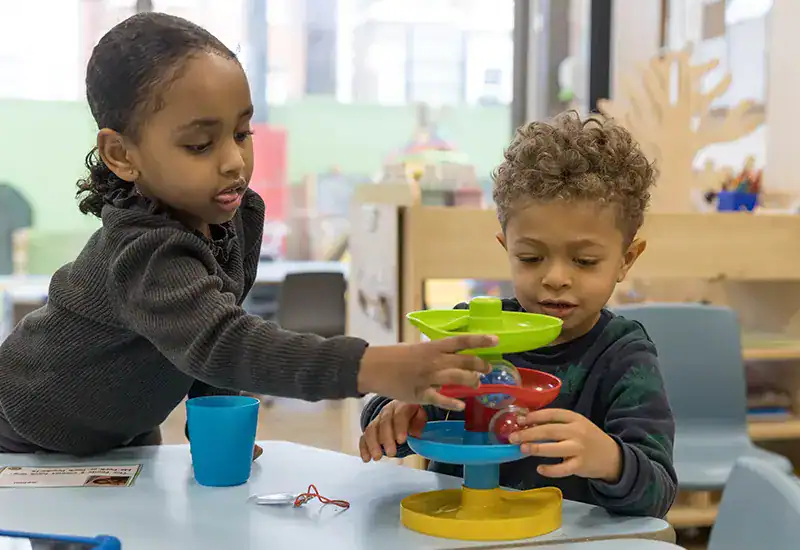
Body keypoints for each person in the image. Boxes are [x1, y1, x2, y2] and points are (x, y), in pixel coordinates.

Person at [0, 12, 497, 456]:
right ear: (121, 155)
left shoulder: (237, 217)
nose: (235, 161)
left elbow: (213, 319)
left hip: (122, 429)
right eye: (199, 145)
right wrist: (373, 366)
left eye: (242, 134)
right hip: (25, 431)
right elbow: (222, 342)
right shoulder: (143, 249)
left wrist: (213, 423)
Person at [360, 112, 677, 518]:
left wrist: (611, 459)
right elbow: (389, 404)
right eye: (531, 257)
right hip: (461, 536)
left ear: (625, 260)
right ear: (505, 246)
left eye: (584, 261)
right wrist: (397, 412)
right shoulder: (471, 333)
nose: (555, 278)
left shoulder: (623, 355)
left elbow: (658, 492)